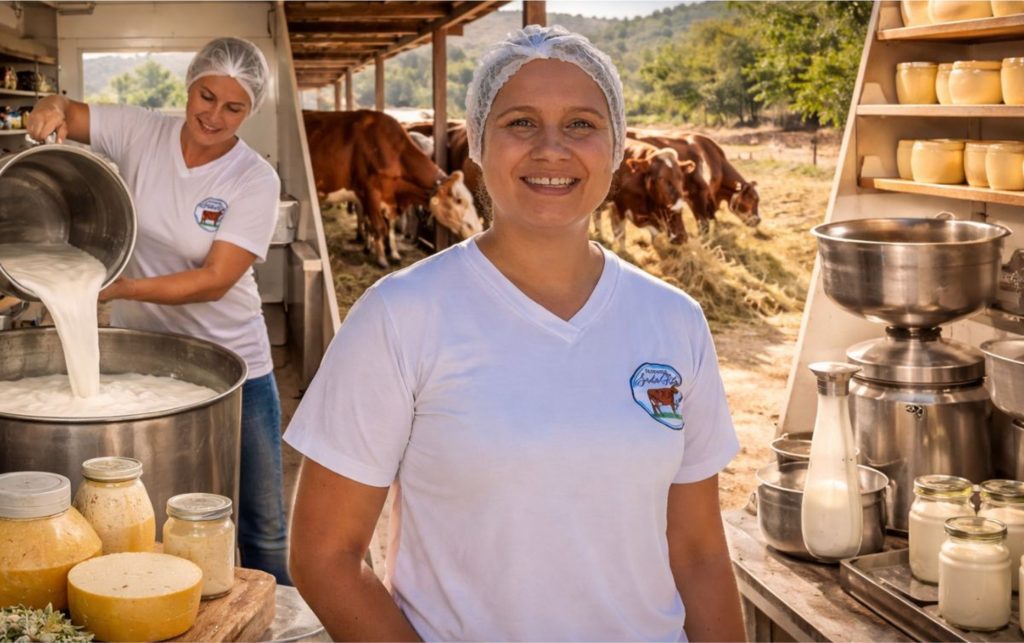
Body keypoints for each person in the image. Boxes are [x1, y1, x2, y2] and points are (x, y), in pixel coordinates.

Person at [284, 25, 744, 641]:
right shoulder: (400, 315)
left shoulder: (674, 320)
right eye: (520, 122)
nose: (551, 148)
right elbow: (324, 555)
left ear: (616, 146)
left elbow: (699, 553)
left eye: (581, 123)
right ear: (475, 142)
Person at [26, 37, 292, 585]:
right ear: (190, 86)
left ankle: (275, 613)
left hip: (234, 367)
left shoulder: (252, 178)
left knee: (262, 526)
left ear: (251, 111)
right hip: (144, 361)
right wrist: (50, 107)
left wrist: (120, 289)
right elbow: (67, 110)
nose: (213, 116)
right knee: (154, 517)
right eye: (206, 96)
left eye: (233, 107)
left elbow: (215, 280)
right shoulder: (141, 131)